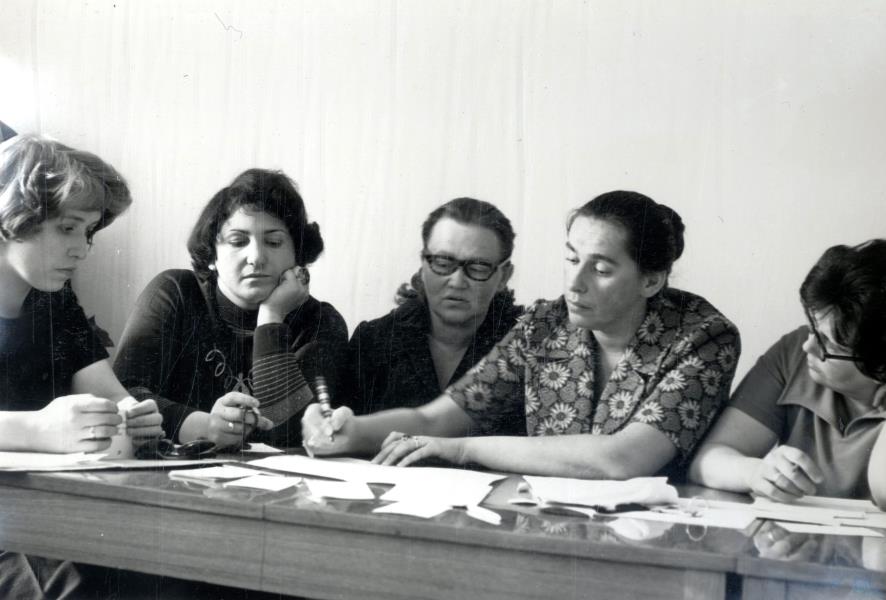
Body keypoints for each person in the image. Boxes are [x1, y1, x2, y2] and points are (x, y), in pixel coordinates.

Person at [303, 191, 740, 479]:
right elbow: (436, 419)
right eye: (572, 259)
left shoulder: (703, 337)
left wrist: (462, 450)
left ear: (651, 280)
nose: (575, 283)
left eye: (601, 269)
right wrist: (351, 430)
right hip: (542, 527)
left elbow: (623, 459)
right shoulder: (544, 325)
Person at [0, 134, 164, 598]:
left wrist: (134, 415)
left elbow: (110, 393)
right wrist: (36, 429)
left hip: (45, 512)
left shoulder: (55, 304)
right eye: (68, 228)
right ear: (14, 216)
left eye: (88, 232)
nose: (82, 249)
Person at [114, 168, 348, 450]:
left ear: (297, 253)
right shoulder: (175, 292)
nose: (256, 257)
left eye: (274, 242)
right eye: (238, 241)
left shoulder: (321, 321)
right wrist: (200, 426)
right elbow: (122, 394)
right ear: (213, 253)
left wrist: (271, 318)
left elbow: (291, 435)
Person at [689, 240, 886, 502]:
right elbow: (706, 460)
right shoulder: (794, 354)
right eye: (813, 329)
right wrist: (754, 473)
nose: (808, 346)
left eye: (828, 343)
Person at [347, 197, 524, 434]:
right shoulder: (372, 341)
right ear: (423, 263)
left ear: (504, 276)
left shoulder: (526, 347)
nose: (457, 281)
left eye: (478, 267)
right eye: (443, 262)